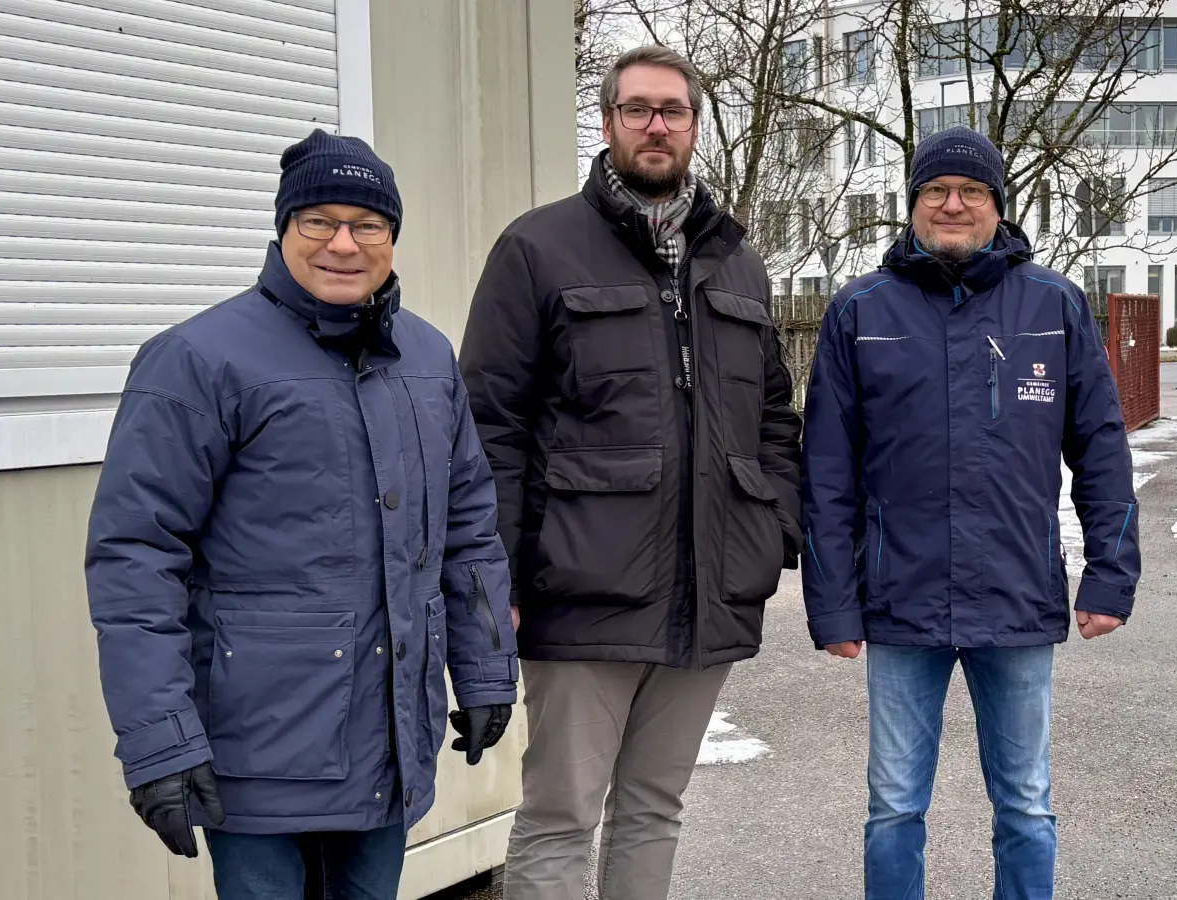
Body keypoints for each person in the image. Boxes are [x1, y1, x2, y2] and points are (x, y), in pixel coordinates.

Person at [84, 129, 519, 900]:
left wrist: (484, 671)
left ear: (392, 237)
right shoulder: (198, 361)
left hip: (388, 740)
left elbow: (468, 531)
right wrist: (158, 742)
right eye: (319, 221)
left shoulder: (425, 359)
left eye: (368, 224)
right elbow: (137, 557)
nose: (343, 244)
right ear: (284, 229)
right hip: (258, 757)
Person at [459, 45, 802, 900]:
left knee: (655, 806)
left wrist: (772, 527)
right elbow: (488, 426)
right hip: (580, 593)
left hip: (706, 594)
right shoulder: (537, 249)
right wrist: (491, 571)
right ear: (609, 122)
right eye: (638, 109)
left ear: (693, 127)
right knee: (560, 813)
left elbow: (771, 419)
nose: (656, 125)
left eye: (672, 111)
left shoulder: (738, 262)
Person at [800, 125, 1141, 900]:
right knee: (892, 807)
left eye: (972, 192)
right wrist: (833, 605)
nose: (953, 205)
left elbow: (1101, 448)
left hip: (1017, 597)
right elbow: (825, 472)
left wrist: (1110, 577)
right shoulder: (862, 310)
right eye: (935, 191)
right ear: (913, 204)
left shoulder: (1052, 306)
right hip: (898, 603)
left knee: (1025, 805)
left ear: (998, 204)